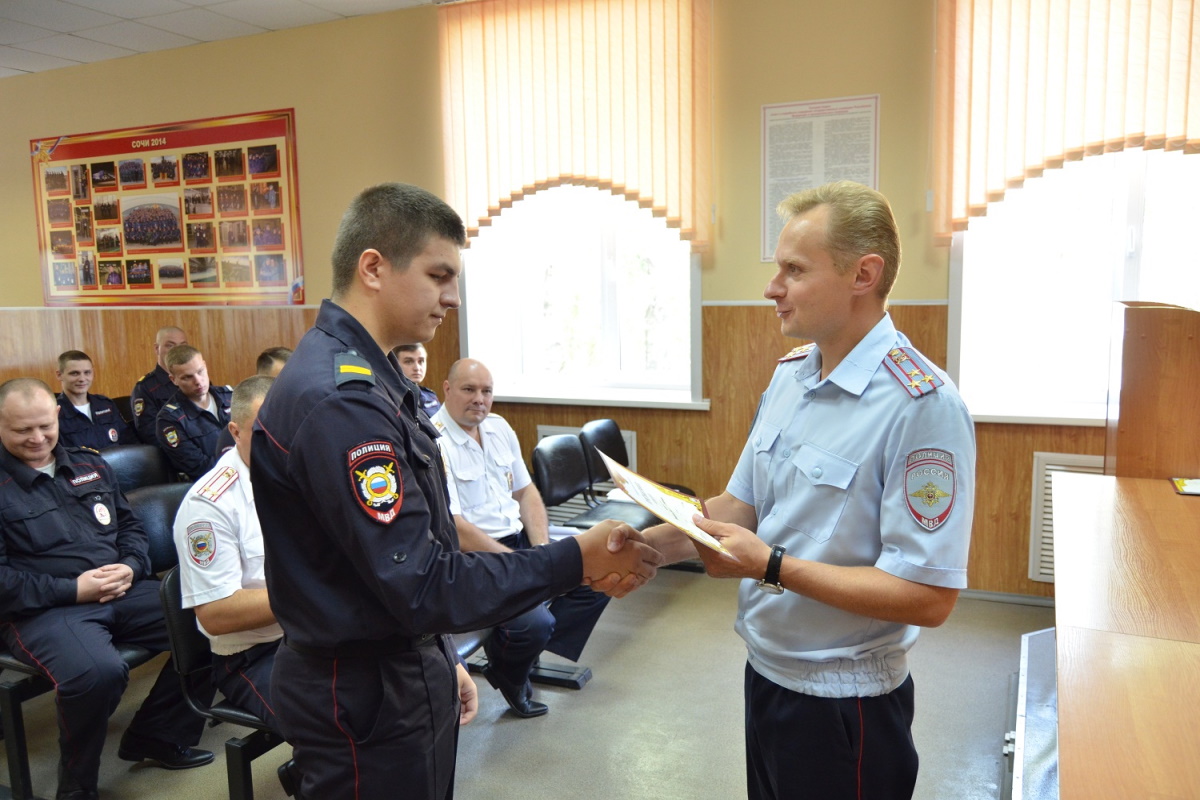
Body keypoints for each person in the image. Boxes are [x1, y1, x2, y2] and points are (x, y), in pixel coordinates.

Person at [250, 182, 663, 800]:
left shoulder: (371, 378)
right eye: (438, 274)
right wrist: (576, 559)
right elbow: (421, 581)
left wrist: (439, 660)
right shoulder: (343, 401)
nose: (452, 296)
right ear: (373, 268)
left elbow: (396, 564)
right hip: (363, 687)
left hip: (397, 666)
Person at [610, 181, 976, 800]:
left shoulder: (922, 406)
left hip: (846, 703)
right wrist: (649, 546)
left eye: (794, 270)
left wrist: (771, 566)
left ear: (864, 274)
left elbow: (928, 596)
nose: (771, 288)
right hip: (767, 675)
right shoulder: (791, 378)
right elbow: (738, 508)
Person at [0, 378, 214, 800]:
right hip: (44, 610)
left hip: (121, 589)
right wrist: (72, 589)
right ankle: (77, 787)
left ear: (58, 416)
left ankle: (155, 734)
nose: (37, 438)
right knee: (96, 674)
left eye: (44, 425)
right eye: (22, 430)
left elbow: (131, 528)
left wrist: (132, 566)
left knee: (212, 622)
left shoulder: (90, 465)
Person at [432, 358, 610, 718]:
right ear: (447, 390)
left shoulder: (499, 428)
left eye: (487, 391)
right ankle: (512, 672)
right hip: (476, 556)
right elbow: (455, 526)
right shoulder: (434, 441)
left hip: (518, 544)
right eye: (469, 389)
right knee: (535, 622)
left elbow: (527, 494)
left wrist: (543, 551)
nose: (479, 399)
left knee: (598, 575)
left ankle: (515, 649)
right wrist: (520, 566)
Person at [155, 344, 232, 481]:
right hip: (210, 485)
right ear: (174, 380)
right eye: (187, 377)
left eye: (200, 371)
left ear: (205, 365)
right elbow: (199, 468)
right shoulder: (169, 419)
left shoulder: (230, 396)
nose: (198, 381)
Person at [54, 350, 137, 451]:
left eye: (87, 372)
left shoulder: (106, 405)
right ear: (59, 375)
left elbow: (129, 442)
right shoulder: (55, 413)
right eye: (74, 373)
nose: (82, 378)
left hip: (116, 465)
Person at [130, 326, 188, 445]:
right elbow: (150, 433)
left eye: (182, 345)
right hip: (173, 453)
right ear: (157, 349)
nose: (178, 351)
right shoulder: (145, 388)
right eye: (170, 345)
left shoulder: (197, 380)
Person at [394, 343, 440, 414]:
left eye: (421, 361)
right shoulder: (391, 399)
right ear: (395, 364)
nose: (417, 368)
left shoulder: (430, 397)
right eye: (408, 362)